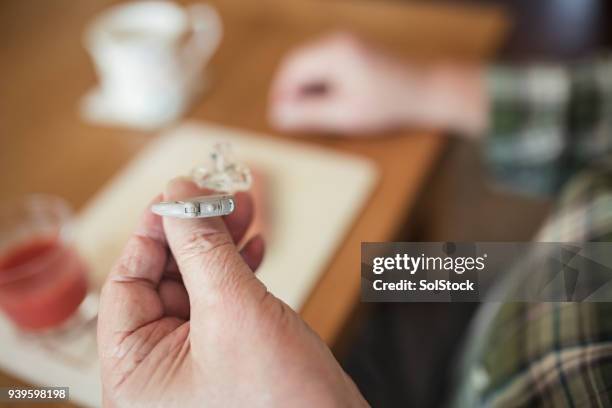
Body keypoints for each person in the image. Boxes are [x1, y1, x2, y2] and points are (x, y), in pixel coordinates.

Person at [98, 33, 612, 406]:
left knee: (334, 310)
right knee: (378, 270)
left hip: (473, 374)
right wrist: (428, 88)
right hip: (543, 276)